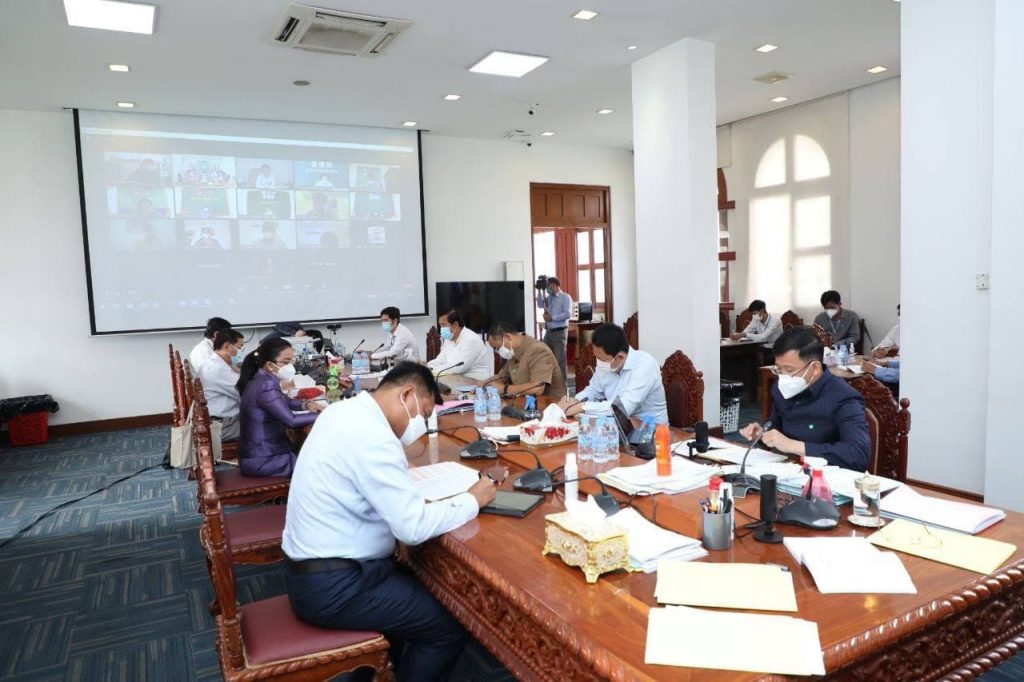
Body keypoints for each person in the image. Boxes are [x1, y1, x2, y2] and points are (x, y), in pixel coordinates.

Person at [283, 362, 498, 681]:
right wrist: (472, 499)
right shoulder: (373, 436)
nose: (420, 426)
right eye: (423, 414)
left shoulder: (343, 412)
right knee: (449, 626)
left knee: (417, 596)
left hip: (317, 569)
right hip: (333, 586)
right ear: (406, 395)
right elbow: (412, 528)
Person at [740, 326, 870, 470]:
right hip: (788, 469)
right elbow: (775, 425)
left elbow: (858, 455)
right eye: (779, 369)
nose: (783, 377)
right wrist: (762, 434)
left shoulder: (843, 397)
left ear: (814, 368)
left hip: (826, 475)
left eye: (789, 370)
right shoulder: (781, 387)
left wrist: (794, 446)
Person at [236, 337, 324, 477]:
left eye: (291, 361)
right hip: (265, 460)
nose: (290, 367)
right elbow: (291, 421)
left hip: (259, 454)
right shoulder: (266, 385)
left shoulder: (262, 378)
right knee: (322, 467)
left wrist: (307, 404)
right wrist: (325, 414)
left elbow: (285, 401)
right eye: (285, 362)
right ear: (270, 365)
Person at [559, 323, 667, 424]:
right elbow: (593, 390)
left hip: (650, 430)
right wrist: (575, 401)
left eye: (602, 359)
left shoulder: (645, 365)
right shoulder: (607, 365)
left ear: (619, 357)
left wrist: (582, 406)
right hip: (618, 426)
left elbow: (621, 408)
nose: (599, 362)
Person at [485, 320, 567, 400]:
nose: (498, 352)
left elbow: (537, 388)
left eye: (498, 348)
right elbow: (501, 377)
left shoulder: (537, 350)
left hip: (552, 405)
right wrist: (485, 384)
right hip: (526, 404)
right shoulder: (513, 354)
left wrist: (504, 388)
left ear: (507, 337)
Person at [197, 329, 245, 441]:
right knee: (271, 423)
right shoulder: (218, 369)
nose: (241, 352)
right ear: (227, 346)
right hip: (224, 425)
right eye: (240, 347)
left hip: (221, 419)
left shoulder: (214, 362)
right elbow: (246, 392)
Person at [426, 309, 492, 381]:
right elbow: (441, 359)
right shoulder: (449, 339)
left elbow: (458, 368)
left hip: (476, 381)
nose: (441, 329)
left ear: (455, 325)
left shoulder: (471, 340)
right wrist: (427, 366)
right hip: (456, 379)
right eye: (440, 325)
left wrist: (433, 369)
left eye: (443, 325)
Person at [536, 277, 573, 385]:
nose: (547, 288)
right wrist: (540, 290)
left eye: (548, 286)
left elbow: (568, 314)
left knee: (560, 360)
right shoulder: (549, 298)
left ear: (555, 285)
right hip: (549, 332)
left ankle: (562, 385)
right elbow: (540, 304)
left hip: (559, 332)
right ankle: (550, 384)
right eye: (546, 287)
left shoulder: (565, 297)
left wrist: (552, 318)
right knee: (547, 358)